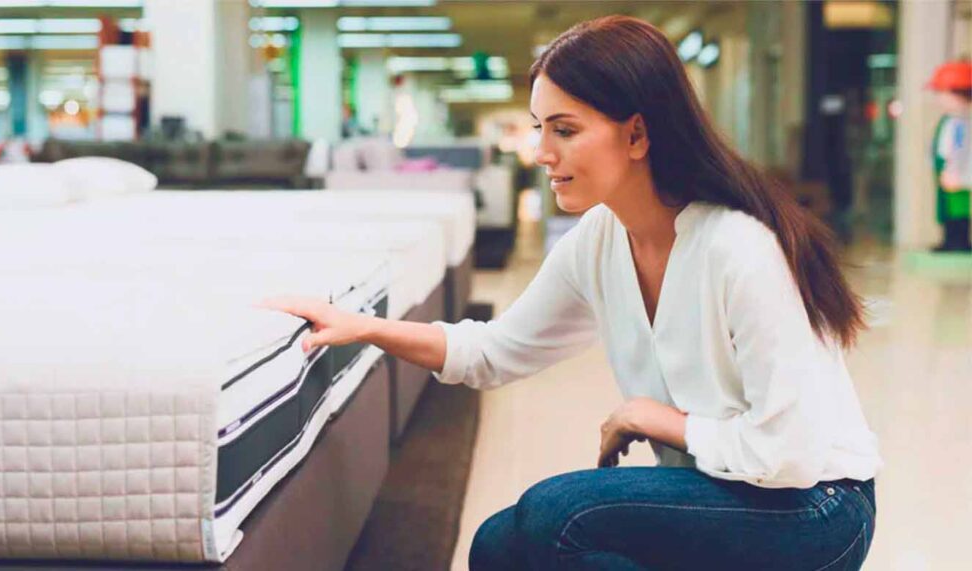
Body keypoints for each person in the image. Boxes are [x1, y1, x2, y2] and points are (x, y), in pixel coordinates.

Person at [262, 16, 881, 570]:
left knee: (560, 514)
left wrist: (658, 420)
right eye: (539, 128)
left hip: (815, 510)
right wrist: (362, 327)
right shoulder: (601, 238)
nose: (540, 153)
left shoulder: (737, 246)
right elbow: (495, 351)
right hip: (722, 490)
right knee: (497, 546)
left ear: (636, 135)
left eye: (564, 130)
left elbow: (792, 455)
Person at [928, 59, 972, 253]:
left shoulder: (963, 124)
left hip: (957, 174)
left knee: (959, 209)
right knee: (946, 208)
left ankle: (959, 241)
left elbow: (961, 151)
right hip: (946, 171)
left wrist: (957, 173)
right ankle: (949, 239)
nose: (940, 99)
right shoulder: (951, 121)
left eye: (943, 94)